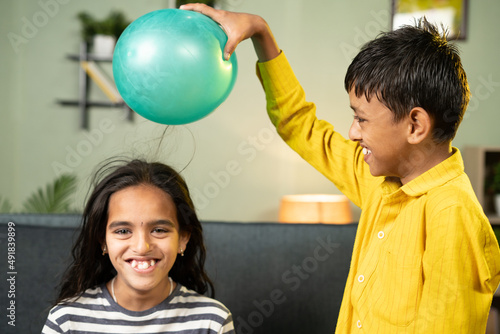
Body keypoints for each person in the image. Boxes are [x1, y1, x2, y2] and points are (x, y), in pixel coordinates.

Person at [181, 4, 500, 333]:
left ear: (415, 125)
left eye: (361, 118)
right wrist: (261, 34)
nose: (352, 132)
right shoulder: (379, 178)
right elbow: (300, 125)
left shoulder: (452, 216)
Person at [42, 159, 234, 334]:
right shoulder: (66, 321)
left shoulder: (212, 322)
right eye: (123, 231)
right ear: (103, 241)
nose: (142, 247)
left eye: (159, 230)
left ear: (183, 238)